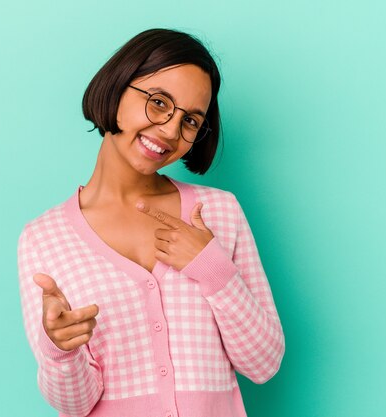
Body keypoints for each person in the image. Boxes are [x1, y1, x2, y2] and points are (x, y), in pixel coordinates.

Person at [17, 28, 285, 417]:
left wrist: (212, 268)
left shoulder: (219, 212)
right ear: (117, 86)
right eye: (159, 102)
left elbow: (264, 364)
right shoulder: (44, 238)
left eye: (191, 121)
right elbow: (76, 406)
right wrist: (60, 351)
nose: (171, 131)